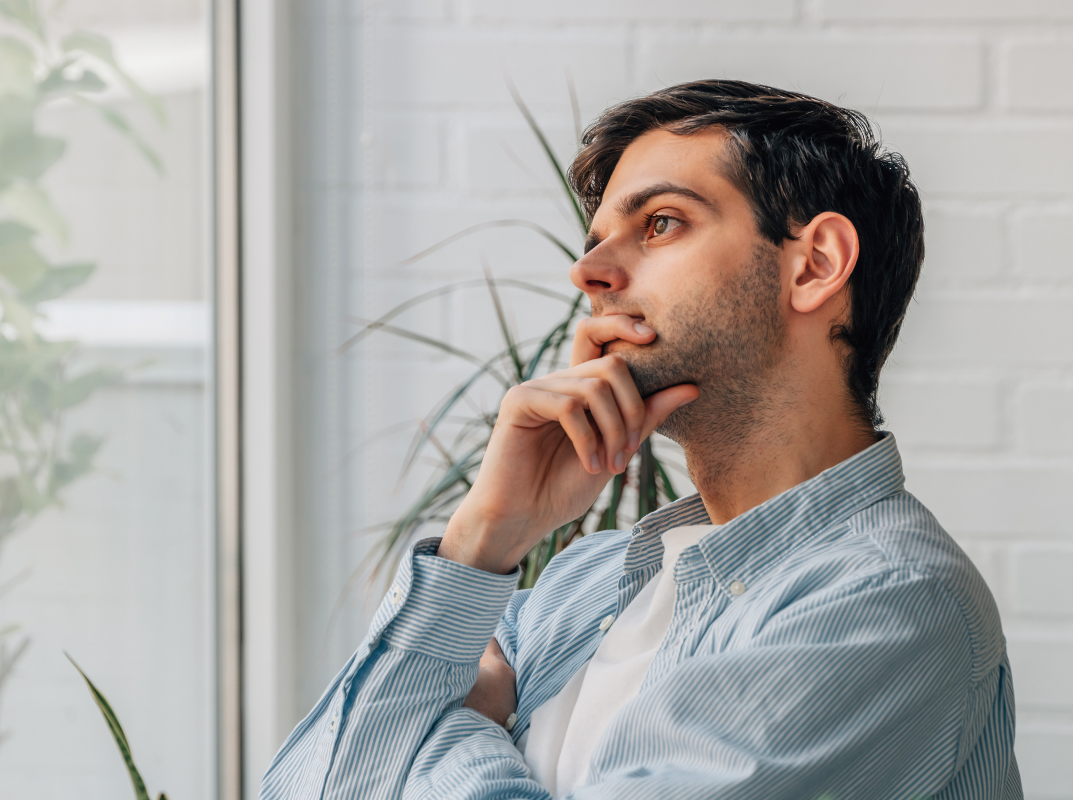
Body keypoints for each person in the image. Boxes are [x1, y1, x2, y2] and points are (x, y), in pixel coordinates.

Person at [260, 80, 1021, 800]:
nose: (588, 272)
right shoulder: (580, 583)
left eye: (660, 222)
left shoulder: (887, 603)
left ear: (814, 265)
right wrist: (480, 545)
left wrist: (460, 726)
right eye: (597, 239)